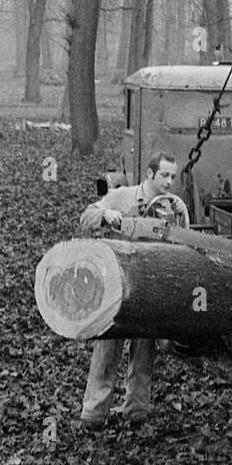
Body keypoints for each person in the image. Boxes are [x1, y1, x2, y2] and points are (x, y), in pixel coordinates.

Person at [78, 152, 185, 429]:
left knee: (144, 353)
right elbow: (86, 216)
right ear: (149, 174)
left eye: (173, 176)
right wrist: (106, 214)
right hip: (117, 287)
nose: (170, 182)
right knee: (107, 351)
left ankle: (137, 413)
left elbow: (183, 241)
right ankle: (93, 415)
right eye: (164, 175)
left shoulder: (172, 207)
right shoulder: (122, 196)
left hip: (149, 289)